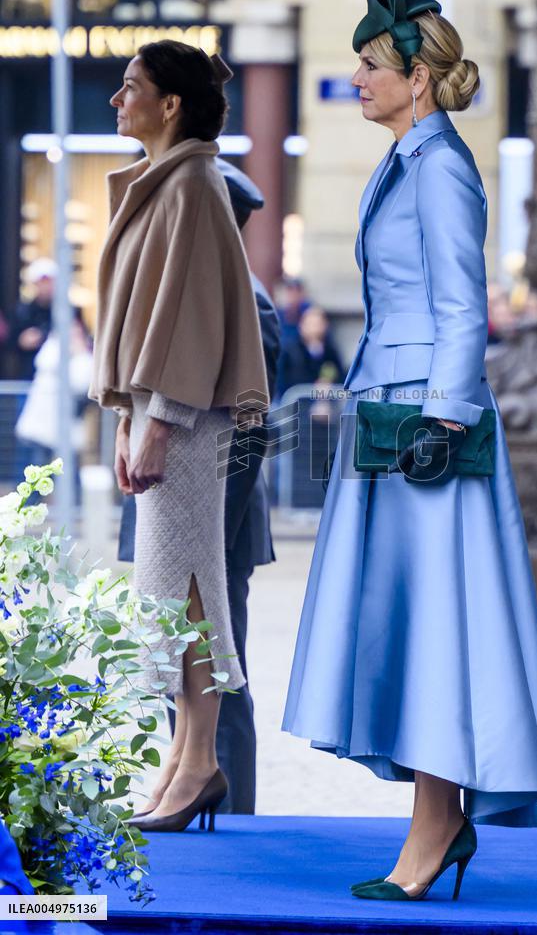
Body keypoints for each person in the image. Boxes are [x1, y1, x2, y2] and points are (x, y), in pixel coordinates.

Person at [282, 0, 537, 903]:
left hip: (424, 422)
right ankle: (437, 819)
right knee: (418, 624)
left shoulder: (441, 165)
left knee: (434, 623)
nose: (357, 80)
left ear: (417, 76)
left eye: (370, 67)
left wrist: (442, 422)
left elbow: (463, 308)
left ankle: (436, 827)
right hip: (396, 408)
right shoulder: (412, 156)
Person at [88, 40, 269, 832]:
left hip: (186, 419)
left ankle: (197, 760)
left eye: (130, 88)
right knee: (181, 591)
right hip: (171, 414)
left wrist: (155, 420)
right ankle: (188, 758)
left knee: (191, 592)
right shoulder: (175, 182)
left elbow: (186, 316)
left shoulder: (192, 182)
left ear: (170, 105)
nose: (115, 101)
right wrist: (136, 414)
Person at [117, 159, 281, 815]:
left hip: (218, 520)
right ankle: (185, 784)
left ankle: (228, 806)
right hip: (179, 511)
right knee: (186, 670)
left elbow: (247, 431)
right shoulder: (191, 288)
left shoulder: (249, 301)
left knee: (220, 671)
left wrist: (205, 534)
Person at [15, 311, 93, 469]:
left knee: (67, 471)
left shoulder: (81, 352)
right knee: (34, 470)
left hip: (65, 422)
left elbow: (82, 382)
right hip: (41, 421)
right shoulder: (53, 346)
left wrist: (79, 352)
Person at [276, 305, 345, 398]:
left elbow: (340, 374)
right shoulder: (290, 351)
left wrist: (328, 383)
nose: (314, 328)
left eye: (318, 324)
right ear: (301, 326)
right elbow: (285, 380)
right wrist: (314, 387)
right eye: (310, 324)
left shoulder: (331, 351)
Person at [8, 259, 56, 380]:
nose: (46, 286)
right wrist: (21, 341)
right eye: (42, 282)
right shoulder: (22, 311)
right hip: (28, 376)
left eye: (49, 282)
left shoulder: (69, 312)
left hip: (59, 379)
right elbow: (9, 341)